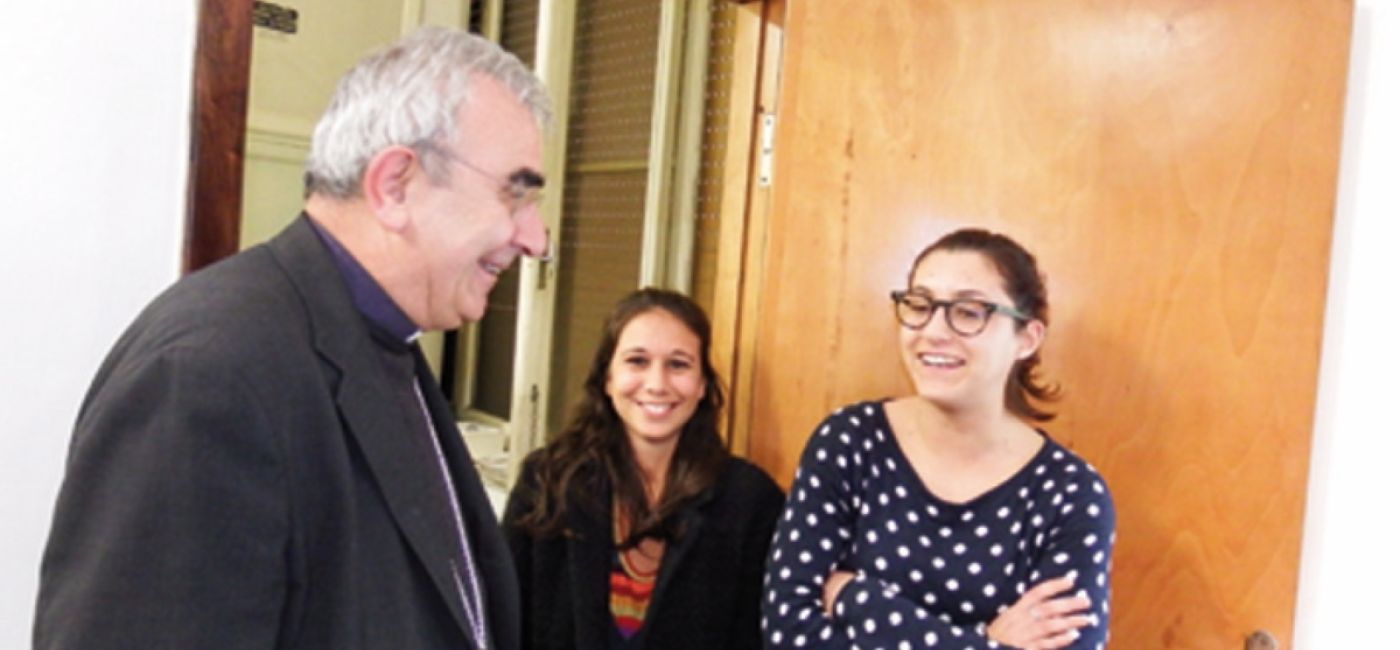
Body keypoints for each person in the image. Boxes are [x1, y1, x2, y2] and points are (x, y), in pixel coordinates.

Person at [34, 27, 549, 649]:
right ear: (395, 185)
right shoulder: (211, 373)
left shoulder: (383, 343)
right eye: (514, 193)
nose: (535, 237)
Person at [762, 229, 1116, 650]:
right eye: (919, 305)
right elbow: (788, 635)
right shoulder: (849, 442)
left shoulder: (1070, 493)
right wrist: (988, 642)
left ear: (1027, 337)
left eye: (968, 312)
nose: (933, 331)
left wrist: (859, 600)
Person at [503, 288, 785, 649]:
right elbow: (502, 620)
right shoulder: (546, 482)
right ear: (607, 379)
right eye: (637, 361)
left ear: (702, 385)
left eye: (678, 364)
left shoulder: (750, 502)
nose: (656, 384)